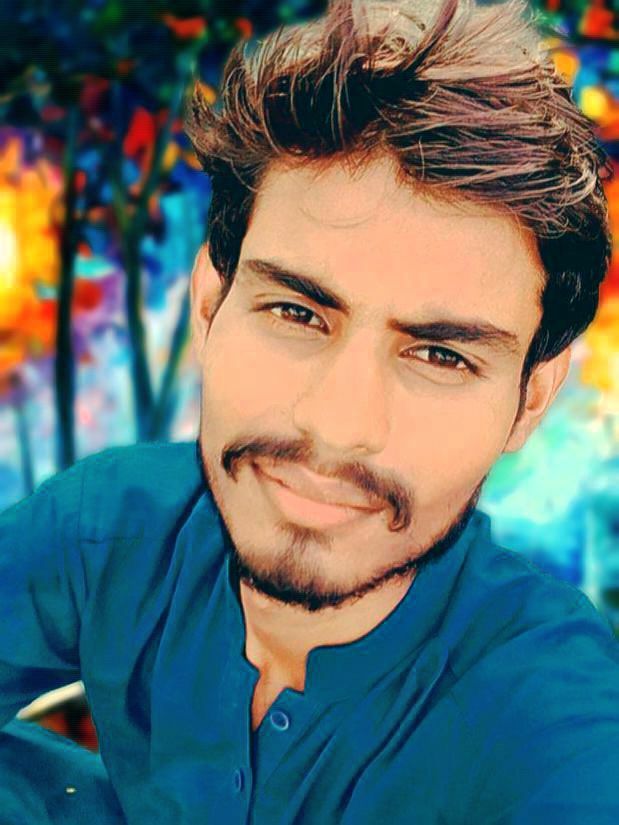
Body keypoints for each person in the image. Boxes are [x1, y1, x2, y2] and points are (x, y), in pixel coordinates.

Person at [1, 0, 619, 821]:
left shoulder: (553, 721)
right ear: (210, 306)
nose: (336, 424)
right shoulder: (110, 530)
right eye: (296, 312)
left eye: (441, 355)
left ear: (527, 401)